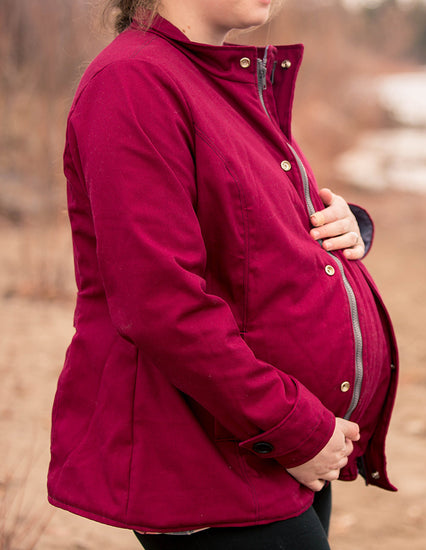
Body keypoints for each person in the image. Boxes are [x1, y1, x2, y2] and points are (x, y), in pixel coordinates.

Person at [47, 1, 399, 548]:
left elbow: (241, 239)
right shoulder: (133, 82)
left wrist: (347, 225)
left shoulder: (210, 77)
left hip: (267, 449)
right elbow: (162, 307)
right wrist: (300, 431)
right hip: (205, 462)